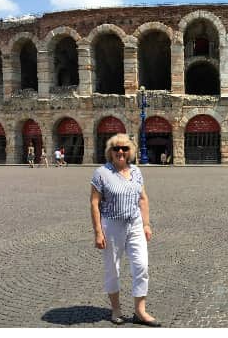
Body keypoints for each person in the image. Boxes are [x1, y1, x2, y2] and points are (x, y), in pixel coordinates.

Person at [90, 135, 158, 327]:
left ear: (130, 151)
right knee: (113, 268)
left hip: (135, 223)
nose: (120, 152)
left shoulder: (136, 171)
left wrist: (146, 224)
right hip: (112, 225)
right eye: (116, 148)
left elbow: (143, 198)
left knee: (142, 266)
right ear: (110, 151)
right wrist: (98, 232)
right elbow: (94, 203)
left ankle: (140, 311)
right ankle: (116, 309)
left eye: (125, 149)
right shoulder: (101, 173)